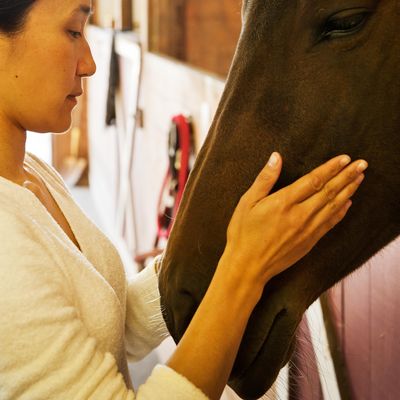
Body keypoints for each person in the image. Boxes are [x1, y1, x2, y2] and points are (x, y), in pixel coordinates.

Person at [0, 1, 368, 399]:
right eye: (73, 32)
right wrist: (242, 270)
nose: (89, 63)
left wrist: (218, 245)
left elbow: (112, 324)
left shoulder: (33, 173)